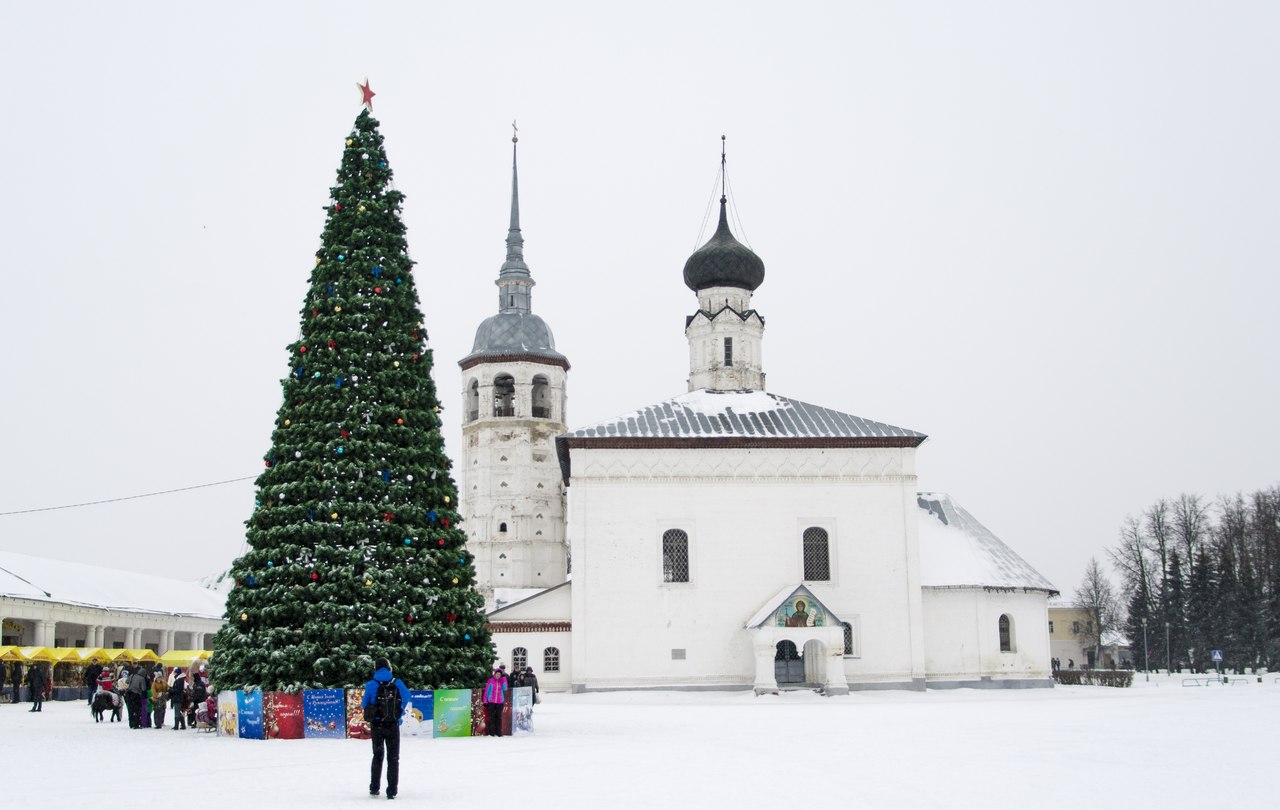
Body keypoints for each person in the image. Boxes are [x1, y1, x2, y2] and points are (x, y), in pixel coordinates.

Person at [362, 657, 411, 800]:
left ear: (375, 668)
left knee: (377, 756)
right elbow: (407, 696)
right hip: (393, 725)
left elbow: (365, 704)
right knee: (393, 758)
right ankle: (391, 791)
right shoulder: (397, 683)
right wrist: (397, 712)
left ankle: (374, 788)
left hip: (377, 726)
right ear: (389, 668)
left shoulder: (371, 684)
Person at [483, 668, 506, 737]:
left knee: (499, 717)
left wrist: (504, 679)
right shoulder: (490, 681)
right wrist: (485, 700)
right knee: (491, 717)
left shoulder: (502, 681)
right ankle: (491, 733)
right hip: (491, 701)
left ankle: (499, 732)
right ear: (495, 674)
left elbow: (505, 688)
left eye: (499, 674)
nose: (498, 675)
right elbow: (486, 691)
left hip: (500, 701)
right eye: (497, 674)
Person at [150, 664, 168, 729]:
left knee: (163, 710)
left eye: (160, 677)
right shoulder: (154, 683)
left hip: (163, 699)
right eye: (158, 677)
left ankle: (161, 721)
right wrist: (157, 695)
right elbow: (153, 690)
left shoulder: (164, 682)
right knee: (157, 711)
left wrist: (165, 693)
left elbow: (167, 688)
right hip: (156, 699)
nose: (159, 678)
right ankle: (157, 723)